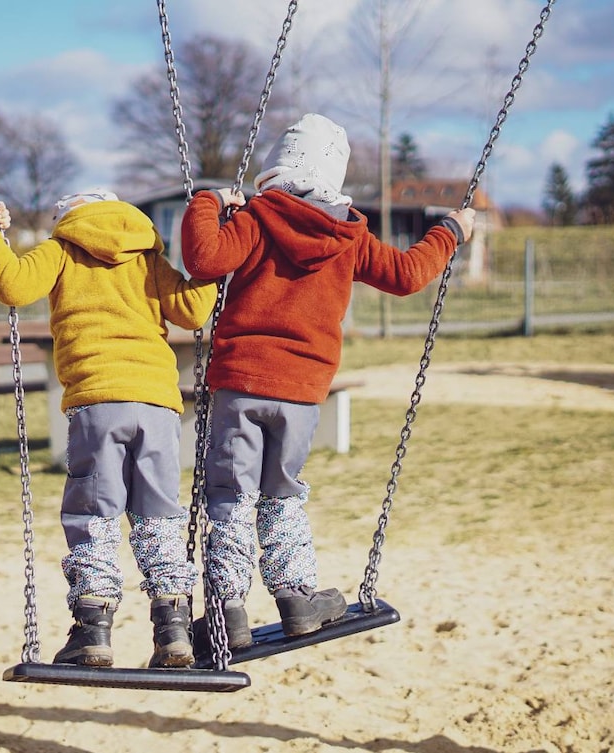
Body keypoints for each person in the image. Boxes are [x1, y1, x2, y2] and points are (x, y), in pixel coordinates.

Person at [181, 113, 475, 648]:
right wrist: (450, 231)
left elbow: (202, 259)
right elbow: (409, 274)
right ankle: (296, 598)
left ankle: (228, 611)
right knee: (282, 494)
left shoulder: (257, 218)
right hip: (302, 392)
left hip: (242, 383)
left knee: (230, 495)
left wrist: (207, 201)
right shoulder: (349, 235)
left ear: (276, 167)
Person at [0, 190, 218, 668]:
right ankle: (173, 630)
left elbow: (14, 286)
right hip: (157, 404)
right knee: (159, 516)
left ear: (66, 218)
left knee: (95, 515)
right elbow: (191, 312)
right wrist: (212, 264)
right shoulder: (146, 255)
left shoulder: (62, 247)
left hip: (97, 399)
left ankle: (93, 631)